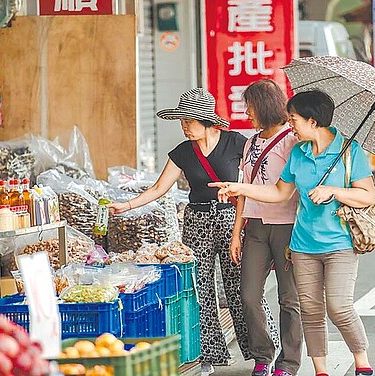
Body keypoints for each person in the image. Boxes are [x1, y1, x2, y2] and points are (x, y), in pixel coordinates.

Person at [108, 87, 279, 375]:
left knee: (243, 288)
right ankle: (207, 355)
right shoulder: (183, 152)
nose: (185, 127)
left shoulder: (237, 142)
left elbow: (255, 180)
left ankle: (264, 352)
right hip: (196, 221)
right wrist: (127, 205)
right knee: (201, 290)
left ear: (206, 120)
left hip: (230, 220)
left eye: (189, 121)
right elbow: (159, 188)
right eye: (182, 122)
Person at [211, 89, 375, 376]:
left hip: (339, 243)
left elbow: (368, 196)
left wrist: (333, 191)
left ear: (312, 121)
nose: (290, 126)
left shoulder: (350, 151)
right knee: (311, 312)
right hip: (302, 244)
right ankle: (320, 370)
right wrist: (240, 188)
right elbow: (278, 192)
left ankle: (361, 359)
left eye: (294, 120)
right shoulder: (298, 152)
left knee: (338, 306)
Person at [231, 79, 303, 376]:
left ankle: (288, 363)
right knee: (249, 294)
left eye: (249, 106)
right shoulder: (250, 142)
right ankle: (263, 354)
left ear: (262, 105)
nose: (246, 112)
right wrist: (237, 233)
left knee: (289, 299)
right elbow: (244, 189)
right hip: (256, 227)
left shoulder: (293, 141)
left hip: (287, 226)